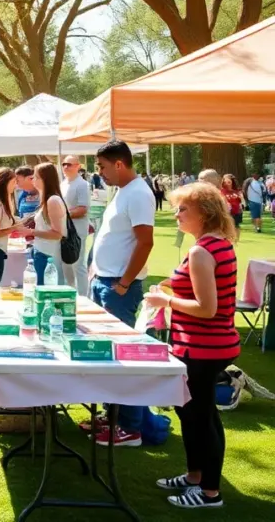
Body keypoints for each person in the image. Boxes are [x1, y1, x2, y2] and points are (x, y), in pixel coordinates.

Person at [143, 183, 240, 509]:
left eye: (183, 209)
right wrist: (174, 289)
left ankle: (210, 492)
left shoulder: (202, 250)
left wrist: (165, 299)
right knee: (192, 413)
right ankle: (195, 476)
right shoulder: (217, 245)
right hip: (204, 345)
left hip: (204, 347)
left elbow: (207, 308)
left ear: (205, 213)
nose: (177, 214)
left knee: (200, 416)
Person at [90, 141, 155, 447]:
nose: (98, 172)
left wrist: (125, 283)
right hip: (106, 280)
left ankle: (130, 426)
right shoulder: (124, 191)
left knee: (122, 357)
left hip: (119, 286)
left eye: (101, 166)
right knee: (106, 354)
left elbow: (145, 242)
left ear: (119, 164)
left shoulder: (139, 193)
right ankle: (111, 415)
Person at [29, 163, 67, 284]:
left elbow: (57, 234)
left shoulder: (53, 200)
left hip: (47, 255)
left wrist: (30, 232)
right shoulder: (47, 199)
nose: (33, 180)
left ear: (44, 179)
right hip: (42, 251)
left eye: (36, 177)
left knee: (44, 294)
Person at [61, 156, 91, 297]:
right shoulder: (63, 184)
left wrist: (62, 215)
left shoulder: (82, 184)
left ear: (78, 166)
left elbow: (82, 209)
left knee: (78, 265)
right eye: (64, 164)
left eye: (69, 164)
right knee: (66, 265)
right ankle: (69, 294)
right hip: (64, 230)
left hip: (77, 230)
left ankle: (83, 297)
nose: (66, 167)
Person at [221, 174, 243, 243]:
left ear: (232, 182)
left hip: (237, 211)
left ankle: (235, 241)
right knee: (227, 226)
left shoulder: (237, 191)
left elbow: (242, 202)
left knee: (236, 226)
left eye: (229, 182)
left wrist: (241, 200)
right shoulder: (222, 191)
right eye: (225, 182)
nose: (227, 184)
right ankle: (228, 240)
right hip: (226, 212)